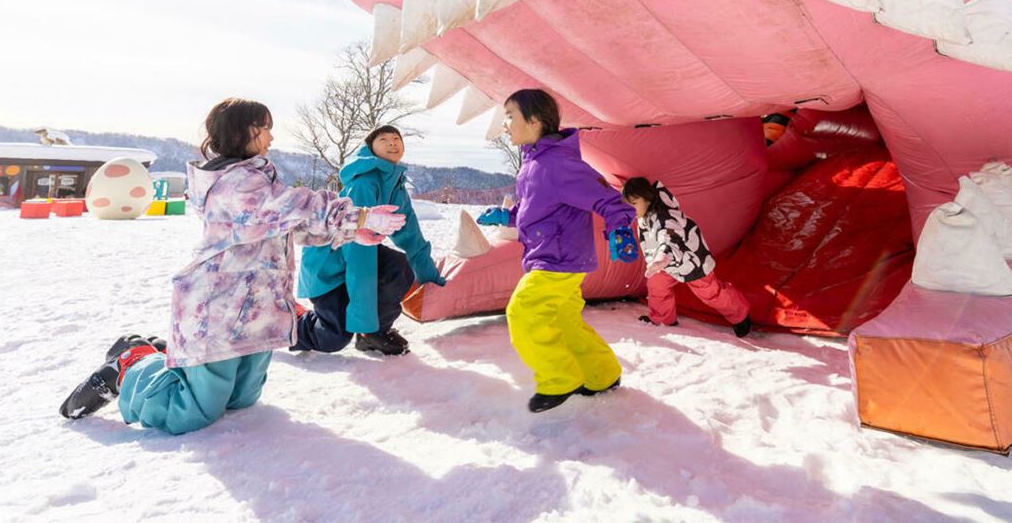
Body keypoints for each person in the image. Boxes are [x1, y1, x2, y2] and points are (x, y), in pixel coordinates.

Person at [58, 98, 405, 434]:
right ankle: (131, 364)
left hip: (258, 308)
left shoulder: (257, 178)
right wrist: (356, 215)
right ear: (241, 131)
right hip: (220, 307)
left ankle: (171, 360)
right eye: (264, 128)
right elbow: (288, 207)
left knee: (242, 398)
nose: (271, 136)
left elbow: (285, 224)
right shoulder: (232, 184)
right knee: (191, 411)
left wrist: (349, 231)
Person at [479, 89, 636, 413]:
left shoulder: (559, 164)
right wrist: (507, 216)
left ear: (534, 120)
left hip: (557, 259)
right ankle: (602, 373)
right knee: (564, 320)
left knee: (523, 312)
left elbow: (609, 200)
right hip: (555, 255)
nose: (505, 124)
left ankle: (559, 378)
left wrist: (619, 229)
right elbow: (537, 209)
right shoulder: (533, 163)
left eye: (510, 116)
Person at [294, 125, 446, 357]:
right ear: (370, 148)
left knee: (399, 267)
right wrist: (364, 320)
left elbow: (412, 238)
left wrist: (432, 282)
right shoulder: (363, 184)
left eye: (396, 138)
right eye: (383, 139)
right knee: (332, 338)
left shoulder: (395, 186)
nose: (392, 142)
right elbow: (358, 256)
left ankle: (373, 336)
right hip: (328, 266)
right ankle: (292, 321)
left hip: (357, 258)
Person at [621, 176, 752, 337]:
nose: (630, 209)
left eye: (634, 203)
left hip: (690, 260)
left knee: (709, 292)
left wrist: (662, 256)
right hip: (665, 263)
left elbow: (668, 235)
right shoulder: (643, 216)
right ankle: (663, 319)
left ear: (647, 198)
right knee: (656, 284)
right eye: (627, 205)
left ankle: (740, 314)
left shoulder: (664, 216)